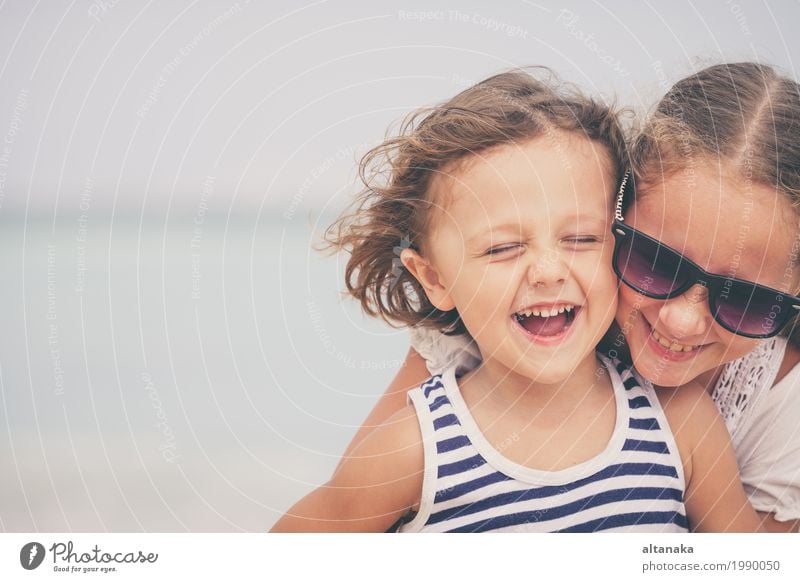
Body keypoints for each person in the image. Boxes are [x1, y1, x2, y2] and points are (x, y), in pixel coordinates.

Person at [271, 69, 761, 532]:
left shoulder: (679, 423)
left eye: (582, 238)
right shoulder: (414, 450)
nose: (547, 272)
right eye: (502, 248)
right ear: (435, 279)